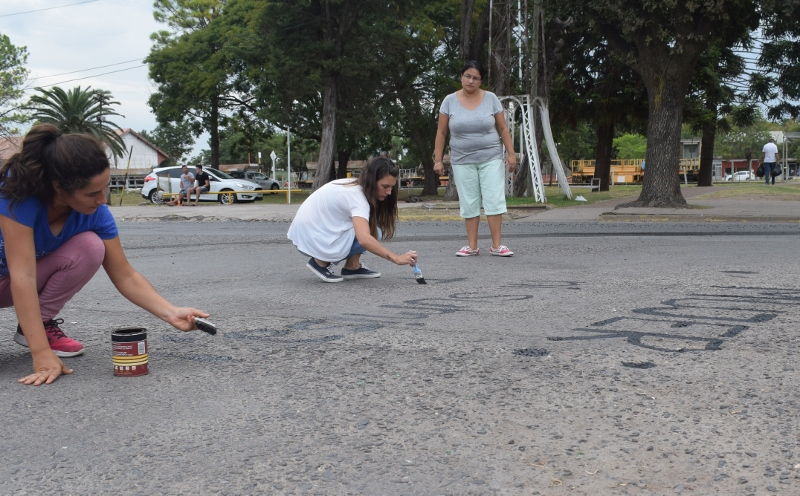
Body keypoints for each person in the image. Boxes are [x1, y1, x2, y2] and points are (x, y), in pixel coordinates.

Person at [0, 124, 210, 386]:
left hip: (10, 283)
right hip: (12, 280)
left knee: (90, 246)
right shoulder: (18, 195)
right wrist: (40, 354)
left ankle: (33, 328)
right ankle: (37, 339)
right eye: (91, 193)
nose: (102, 200)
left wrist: (171, 312)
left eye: (105, 189)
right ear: (58, 187)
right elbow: (23, 275)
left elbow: (126, 275)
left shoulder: (95, 213)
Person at [433, 60, 518, 257]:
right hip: (462, 159)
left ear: (481, 81)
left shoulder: (491, 99)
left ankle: (497, 245)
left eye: (476, 78)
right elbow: (441, 131)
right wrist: (438, 159)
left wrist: (511, 154)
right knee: (469, 201)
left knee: (493, 199)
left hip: (490, 157)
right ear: (461, 77)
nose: (471, 81)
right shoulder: (449, 101)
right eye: (467, 76)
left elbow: (503, 128)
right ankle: (472, 246)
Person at [287, 157, 417, 283]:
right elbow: (364, 239)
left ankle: (352, 267)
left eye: (391, 187)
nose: (389, 192)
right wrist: (397, 258)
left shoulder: (355, 186)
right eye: (385, 186)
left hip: (307, 232)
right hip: (311, 237)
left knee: (373, 228)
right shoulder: (357, 197)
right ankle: (320, 262)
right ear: (372, 181)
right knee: (373, 232)